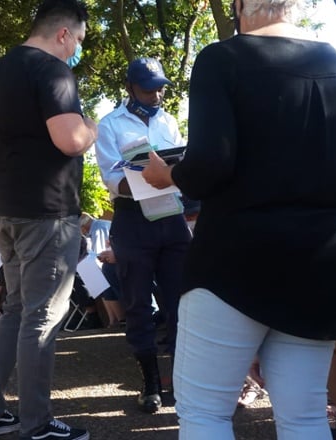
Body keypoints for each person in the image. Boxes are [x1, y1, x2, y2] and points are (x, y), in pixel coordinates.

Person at [141, 1, 336, 437]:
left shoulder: (222, 59)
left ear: (240, 5)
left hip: (235, 260)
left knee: (205, 412)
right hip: (321, 263)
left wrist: (167, 174)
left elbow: (209, 164)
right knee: (305, 415)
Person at [0, 1, 97, 439]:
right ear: (63, 33)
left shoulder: (1, 69)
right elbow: (70, 139)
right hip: (46, 212)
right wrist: (91, 127)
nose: (77, 49)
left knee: (17, 310)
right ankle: (36, 423)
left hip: (4, 206)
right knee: (42, 317)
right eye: (78, 40)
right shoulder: (53, 71)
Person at [94, 57, 191, 413]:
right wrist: (144, 179)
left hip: (171, 216)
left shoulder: (168, 121)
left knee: (181, 302)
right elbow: (111, 178)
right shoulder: (109, 125)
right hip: (133, 219)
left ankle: (182, 381)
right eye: (149, 88)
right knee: (137, 303)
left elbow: (182, 164)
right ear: (130, 87)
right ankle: (150, 381)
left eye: (161, 86)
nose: (157, 94)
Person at [79, 213, 125, 327]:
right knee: (94, 278)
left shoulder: (98, 228)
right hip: (110, 261)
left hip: (116, 262)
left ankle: (119, 319)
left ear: (82, 226)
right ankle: (113, 320)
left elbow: (99, 253)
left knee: (99, 277)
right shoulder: (95, 228)